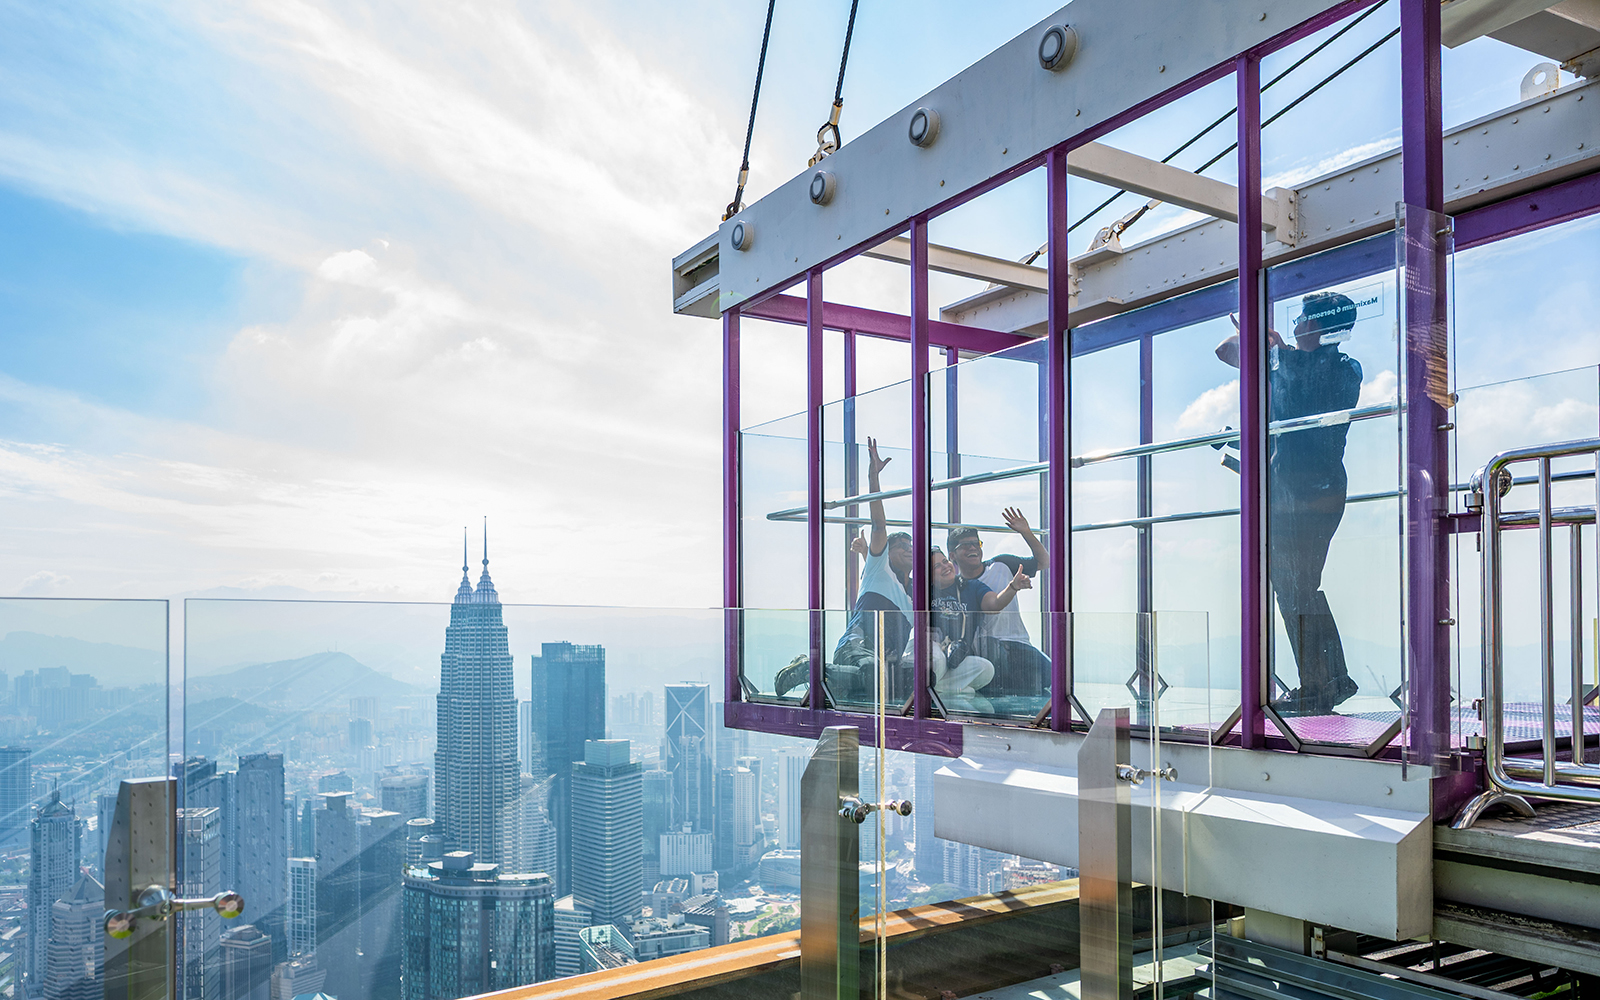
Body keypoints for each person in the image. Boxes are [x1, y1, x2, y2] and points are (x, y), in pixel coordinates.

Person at [1216, 291, 1363, 714]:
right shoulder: (1291, 360)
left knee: (1295, 585)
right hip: (1294, 488)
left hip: (1308, 490)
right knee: (1295, 586)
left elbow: (1308, 392)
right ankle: (1325, 681)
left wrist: (1274, 347)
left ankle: (1325, 684)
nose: (1296, 322)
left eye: (1302, 317)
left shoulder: (1339, 367)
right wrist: (1266, 343)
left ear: (1315, 325)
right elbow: (1225, 350)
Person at [773, 437, 911, 702]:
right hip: (854, 650)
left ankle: (831, 681)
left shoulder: (911, 597)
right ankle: (805, 668)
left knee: (893, 679)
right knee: (872, 672)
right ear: (887, 553)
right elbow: (879, 527)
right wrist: (873, 478)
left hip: (877, 664)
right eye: (901, 545)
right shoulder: (879, 570)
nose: (908, 549)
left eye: (911, 545)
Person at [949, 510, 1052, 699]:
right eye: (966, 545)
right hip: (985, 651)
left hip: (1016, 643)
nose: (973, 548)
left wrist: (1026, 532)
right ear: (952, 555)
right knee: (999, 678)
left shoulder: (1001, 565)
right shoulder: (955, 587)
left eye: (976, 543)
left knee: (1049, 676)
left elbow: (1044, 562)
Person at [925, 548, 998, 712]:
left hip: (954, 657)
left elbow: (995, 605)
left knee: (986, 668)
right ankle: (948, 691)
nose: (945, 566)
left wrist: (1013, 587)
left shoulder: (969, 586)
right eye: (937, 565)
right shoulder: (920, 591)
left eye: (945, 561)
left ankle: (942, 689)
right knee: (936, 659)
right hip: (930, 656)